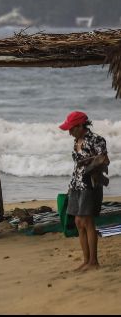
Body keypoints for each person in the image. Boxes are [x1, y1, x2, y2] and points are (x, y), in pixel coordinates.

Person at [60, 111, 110, 272]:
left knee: (87, 222)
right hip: (76, 184)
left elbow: (104, 160)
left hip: (90, 185)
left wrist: (91, 162)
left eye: (72, 128)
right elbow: (77, 166)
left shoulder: (97, 140)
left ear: (81, 125)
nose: (69, 131)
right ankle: (86, 260)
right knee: (78, 222)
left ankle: (94, 262)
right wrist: (70, 187)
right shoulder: (76, 141)